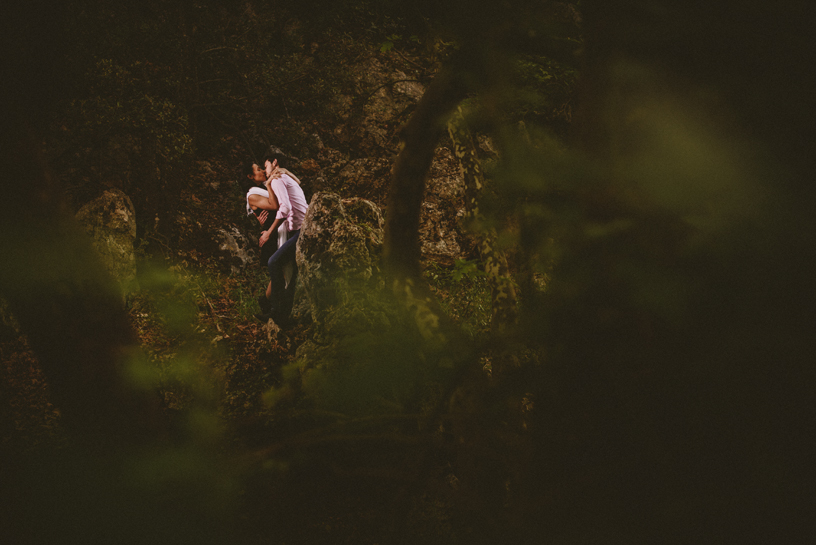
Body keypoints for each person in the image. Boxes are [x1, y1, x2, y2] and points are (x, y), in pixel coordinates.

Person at [254, 158, 309, 325]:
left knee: (274, 262)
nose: (264, 170)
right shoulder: (284, 177)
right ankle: (281, 314)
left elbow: (284, 208)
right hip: (302, 228)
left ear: (274, 162)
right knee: (290, 272)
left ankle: (275, 311)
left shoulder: (277, 178)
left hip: (302, 231)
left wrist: (268, 233)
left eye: (265, 165)